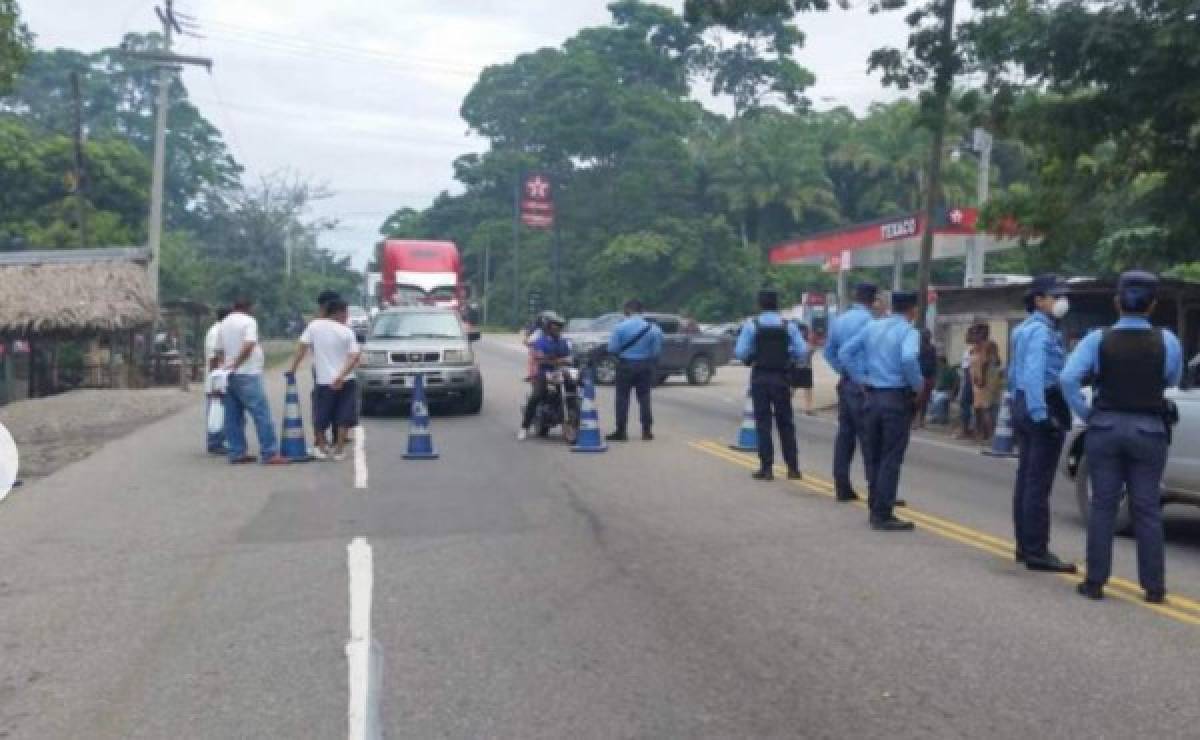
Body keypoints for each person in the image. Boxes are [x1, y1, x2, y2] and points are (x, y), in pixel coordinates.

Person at [1061, 271, 1182, 602]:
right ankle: (1154, 587)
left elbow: (1068, 378)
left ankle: (1095, 582)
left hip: (1105, 428)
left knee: (1103, 505)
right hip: (1149, 429)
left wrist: (1088, 415)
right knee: (1147, 508)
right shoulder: (1167, 340)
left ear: (1116, 302)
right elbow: (1171, 379)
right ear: (1153, 305)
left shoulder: (1097, 339)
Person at [1009, 274, 1077, 573]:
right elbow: (1034, 373)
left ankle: (1025, 546)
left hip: (1024, 404)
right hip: (1041, 404)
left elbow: (1014, 375)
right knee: (1037, 483)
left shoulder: (1024, 329)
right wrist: (1040, 413)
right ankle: (1037, 551)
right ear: (1038, 300)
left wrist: (1020, 407)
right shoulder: (1040, 332)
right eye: (1055, 295)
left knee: (1026, 480)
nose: (1062, 301)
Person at [839, 291, 923, 531]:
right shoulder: (909, 331)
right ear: (912, 310)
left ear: (891, 307)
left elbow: (845, 353)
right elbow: (908, 359)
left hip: (871, 396)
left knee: (873, 454)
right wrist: (917, 385)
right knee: (891, 457)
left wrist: (860, 378)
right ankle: (882, 513)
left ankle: (875, 503)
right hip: (895, 398)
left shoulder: (872, 327)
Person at [735, 290, 808, 481]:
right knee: (786, 423)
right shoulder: (788, 326)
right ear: (777, 304)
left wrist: (755, 354)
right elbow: (802, 351)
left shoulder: (752, 325)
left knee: (763, 423)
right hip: (781, 378)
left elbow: (740, 352)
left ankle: (766, 468)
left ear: (760, 305)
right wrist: (787, 353)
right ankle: (793, 468)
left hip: (760, 377)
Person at [823, 282, 879, 502]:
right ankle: (876, 489)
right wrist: (861, 378)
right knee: (869, 437)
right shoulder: (870, 323)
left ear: (856, 297)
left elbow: (829, 353)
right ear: (873, 300)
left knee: (845, 436)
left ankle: (842, 485)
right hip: (863, 384)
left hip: (845, 383)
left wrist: (843, 370)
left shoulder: (840, 320)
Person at [288, 298, 362, 461]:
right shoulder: (346, 331)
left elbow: (301, 348)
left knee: (320, 415)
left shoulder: (314, 326)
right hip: (346, 380)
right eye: (345, 312)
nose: (347, 316)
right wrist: (341, 376)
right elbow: (354, 357)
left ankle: (321, 448)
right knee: (344, 415)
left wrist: (292, 369)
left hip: (324, 381)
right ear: (337, 313)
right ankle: (339, 450)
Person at [220, 297, 288, 465]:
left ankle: (236, 452)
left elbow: (219, 349)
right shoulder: (249, 321)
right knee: (261, 414)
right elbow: (249, 344)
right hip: (247, 373)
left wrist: (226, 366)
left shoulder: (224, 323)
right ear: (249, 308)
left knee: (233, 416)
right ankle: (269, 452)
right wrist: (237, 363)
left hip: (228, 374)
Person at [606, 299, 663, 442]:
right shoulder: (653, 329)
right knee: (644, 398)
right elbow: (656, 352)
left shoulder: (620, 327)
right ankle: (646, 431)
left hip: (625, 365)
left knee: (622, 399)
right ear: (641, 310)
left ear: (627, 310)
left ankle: (621, 431)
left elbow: (612, 349)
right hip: (644, 365)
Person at [518, 312, 573, 440]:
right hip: (544, 374)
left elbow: (570, 357)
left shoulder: (564, 342)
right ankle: (524, 427)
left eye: (559, 326)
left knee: (573, 387)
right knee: (536, 396)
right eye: (555, 326)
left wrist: (564, 361)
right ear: (548, 327)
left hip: (561, 372)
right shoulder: (540, 342)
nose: (557, 329)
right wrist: (557, 360)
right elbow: (540, 359)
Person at [204, 306, 230, 454]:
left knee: (219, 410)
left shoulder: (219, 331)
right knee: (215, 410)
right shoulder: (216, 333)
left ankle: (219, 440)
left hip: (219, 376)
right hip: (216, 378)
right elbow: (213, 358)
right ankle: (214, 442)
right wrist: (216, 381)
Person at [914, 329, 937, 429]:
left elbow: (934, 363)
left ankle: (921, 420)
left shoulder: (932, 348)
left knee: (925, 400)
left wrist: (934, 376)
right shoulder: (918, 347)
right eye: (925, 335)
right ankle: (915, 419)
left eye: (928, 335)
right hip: (920, 376)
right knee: (917, 400)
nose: (927, 337)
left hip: (928, 377)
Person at [793, 322, 815, 416]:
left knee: (807, 388)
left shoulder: (804, 342)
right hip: (799, 367)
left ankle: (808, 409)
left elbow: (811, 352)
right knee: (792, 388)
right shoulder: (799, 343)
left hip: (804, 368)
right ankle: (808, 409)